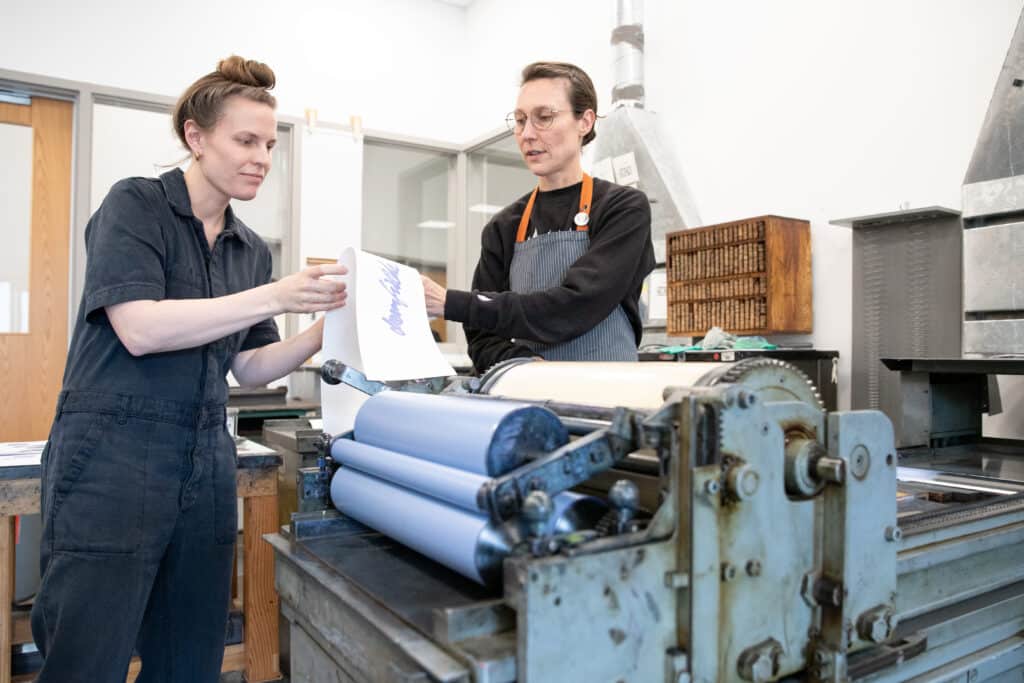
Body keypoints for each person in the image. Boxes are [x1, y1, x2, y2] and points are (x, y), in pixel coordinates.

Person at [30, 56, 347, 682]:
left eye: (269, 145)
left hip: (203, 460)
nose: (260, 157)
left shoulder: (247, 248)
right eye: (245, 140)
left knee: (188, 660)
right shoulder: (137, 206)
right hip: (111, 460)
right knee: (86, 658)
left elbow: (251, 368)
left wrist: (324, 326)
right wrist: (277, 296)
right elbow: (140, 329)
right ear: (196, 138)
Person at [421, 61, 654, 373]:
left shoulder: (622, 208)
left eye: (544, 118)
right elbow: (481, 337)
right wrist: (524, 367)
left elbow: (575, 305)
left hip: (610, 399)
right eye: (520, 121)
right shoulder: (505, 226)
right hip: (528, 399)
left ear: (584, 121)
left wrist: (452, 302)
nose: (527, 134)